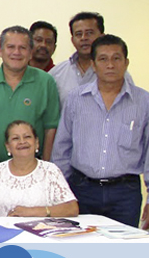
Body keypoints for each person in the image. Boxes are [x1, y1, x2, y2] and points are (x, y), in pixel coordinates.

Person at [53, 35, 149, 228]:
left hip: (125, 192)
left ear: (126, 62)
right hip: (82, 189)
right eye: (103, 59)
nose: (110, 65)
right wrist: (60, 193)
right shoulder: (76, 99)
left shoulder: (143, 101)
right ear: (94, 65)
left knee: (121, 252)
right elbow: (62, 147)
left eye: (116, 58)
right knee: (80, 250)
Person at [0, 26, 61, 165]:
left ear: (31, 52)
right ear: (0, 50)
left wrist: (47, 165)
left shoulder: (46, 82)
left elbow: (51, 127)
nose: (16, 52)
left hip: (33, 165)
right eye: (10, 47)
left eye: (22, 48)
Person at [0, 121, 78, 218]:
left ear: (37, 143)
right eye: (15, 138)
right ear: (8, 146)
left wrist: (32, 212)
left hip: (42, 235)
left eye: (27, 137)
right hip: (2, 235)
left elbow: (72, 208)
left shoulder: (50, 171)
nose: (22, 142)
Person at [50, 12, 132, 100]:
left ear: (101, 36)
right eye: (78, 34)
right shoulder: (56, 74)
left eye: (89, 33)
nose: (84, 38)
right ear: (72, 40)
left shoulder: (117, 73)